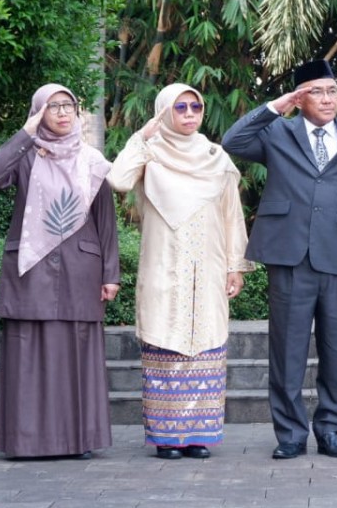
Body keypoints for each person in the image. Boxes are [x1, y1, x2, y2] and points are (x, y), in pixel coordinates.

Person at [222, 60, 337, 460]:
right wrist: (277, 106)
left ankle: (331, 429)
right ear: (299, 96)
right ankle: (290, 433)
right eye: (317, 92)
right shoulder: (278, 133)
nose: (327, 99)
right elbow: (233, 141)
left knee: (335, 348)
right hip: (289, 255)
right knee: (287, 349)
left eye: (332, 91)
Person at [108, 83, 251, 460]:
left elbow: (232, 217)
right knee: (165, 344)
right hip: (164, 265)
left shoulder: (215, 156)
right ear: (163, 112)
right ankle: (166, 438)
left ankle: (198, 437)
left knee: (205, 346)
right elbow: (117, 179)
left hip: (209, 266)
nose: (189, 115)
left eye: (195, 107)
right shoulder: (150, 153)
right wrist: (142, 136)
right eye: (180, 108)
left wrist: (236, 266)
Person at [0, 83, 119, 460]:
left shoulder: (91, 161)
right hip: (31, 268)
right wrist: (26, 132)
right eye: (51, 106)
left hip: (81, 270)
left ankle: (78, 440)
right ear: (37, 111)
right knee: (27, 352)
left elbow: (105, 221)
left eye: (68, 106)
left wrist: (111, 273)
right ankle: (25, 441)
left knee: (77, 356)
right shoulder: (26, 155)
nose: (61, 112)